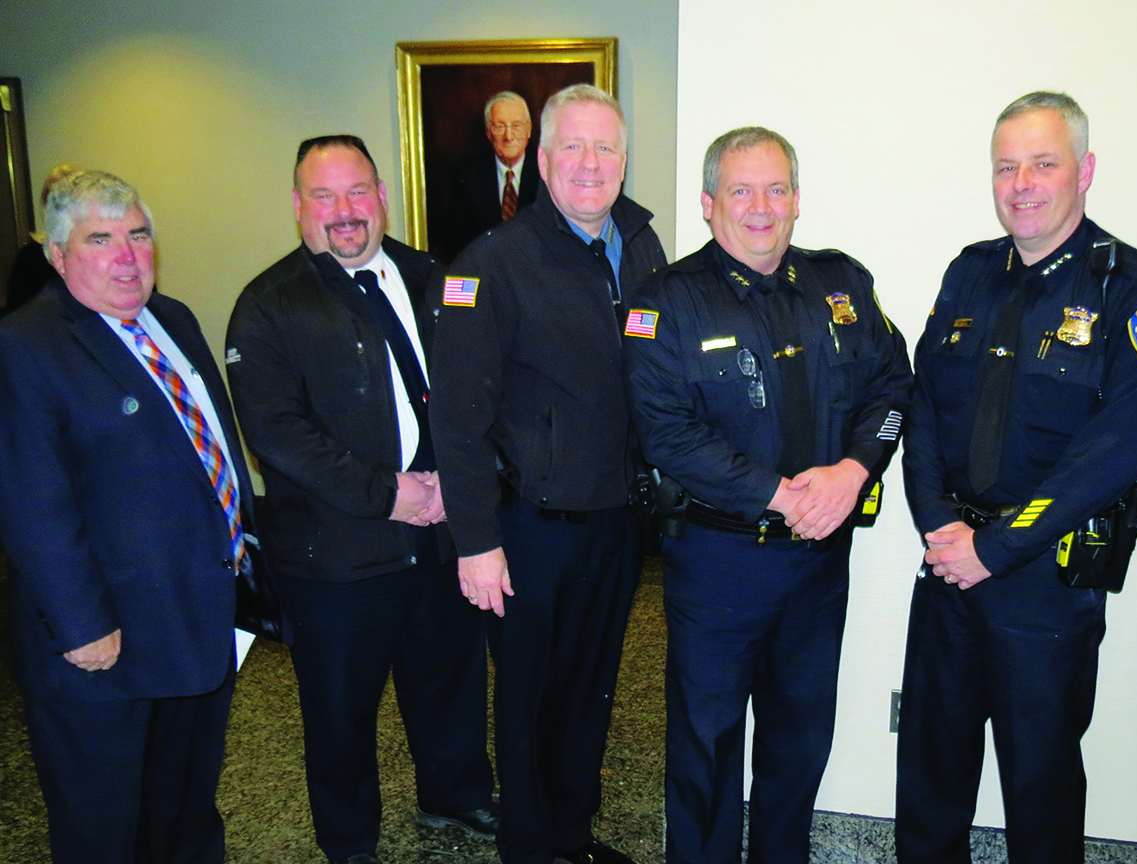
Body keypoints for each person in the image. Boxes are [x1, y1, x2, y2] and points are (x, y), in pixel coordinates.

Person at [897, 91, 1137, 864]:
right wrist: (937, 529)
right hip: (948, 564)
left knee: (1041, 786)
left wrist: (996, 546)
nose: (1022, 182)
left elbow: (1115, 449)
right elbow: (923, 408)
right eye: (1007, 166)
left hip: (1043, 578)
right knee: (928, 772)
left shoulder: (1130, 288)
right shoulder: (970, 272)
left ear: (1084, 171)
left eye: (1043, 163)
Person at [624, 126, 911, 864]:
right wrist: (780, 495)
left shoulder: (841, 283)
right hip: (721, 564)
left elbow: (892, 387)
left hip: (818, 567)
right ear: (708, 202)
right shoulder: (665, 302)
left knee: (800, 736)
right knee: (708, 744)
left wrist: (855, 470)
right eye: (742, 190)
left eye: (776, 189)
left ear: (797, 200)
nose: (761, 207)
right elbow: (668, 435)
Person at [224, 135, 497, 864]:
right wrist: (390, 496)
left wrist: (455, 485)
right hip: (337, 554)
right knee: (340, 710)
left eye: (357, 193)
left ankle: (456, 791)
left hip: (438, 537)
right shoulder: (268, 306)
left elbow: (472, 387)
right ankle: (348, 839)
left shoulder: (433, 275)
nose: (345, 213)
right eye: (325, 196)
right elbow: (279, 436)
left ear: (381, 196)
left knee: (450, 680)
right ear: (297, 207)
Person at [429, 84, 668, 864]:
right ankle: (531, 846)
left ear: (625, 161)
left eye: (606, 148)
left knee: (591, 695)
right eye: (573, 146)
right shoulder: (489, 265)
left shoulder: (641, 245)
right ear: (540, 159)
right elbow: (457, 421)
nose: (591, 164)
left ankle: (571, 831)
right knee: (531, 702)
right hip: (528, 530)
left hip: (614, 521)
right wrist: (475, 541)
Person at [0, 169, 252, 864]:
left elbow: (212, 450)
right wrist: (84, 627)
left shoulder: (171, 319)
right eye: (100, 239)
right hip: (105, 648)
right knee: (106, 828)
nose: (127, 255)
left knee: (184, 809)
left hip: (194, 622)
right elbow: (30, 504)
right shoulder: (24, 347)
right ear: (57, 255)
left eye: (138, 234)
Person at [441, 91, 540, 260]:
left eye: (516, 125)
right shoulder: (466, 175)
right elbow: (457, 242)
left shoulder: (547, 172)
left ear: (528, 130)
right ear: (488, 131)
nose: (508, 136)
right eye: (500, 126)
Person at [4, 164, 80, 316]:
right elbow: (17, 315)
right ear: (46, 206)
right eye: (57, 203)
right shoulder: (30, 257)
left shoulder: (101, 251)